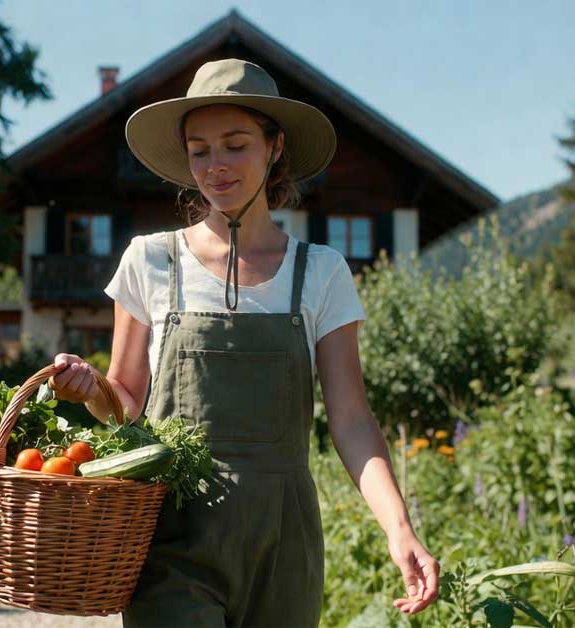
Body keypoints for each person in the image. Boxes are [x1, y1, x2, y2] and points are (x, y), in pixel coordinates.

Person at [47, 58, 438, 627]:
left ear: (274, 148)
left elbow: (351, 420)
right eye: (200, 150)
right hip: (174, 533)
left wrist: (399, 528)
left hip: (283, 541)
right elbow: (126, 401)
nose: (215, 166)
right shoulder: (151, 260)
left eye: (235, 145)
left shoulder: (320, 271)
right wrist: (90, 391)